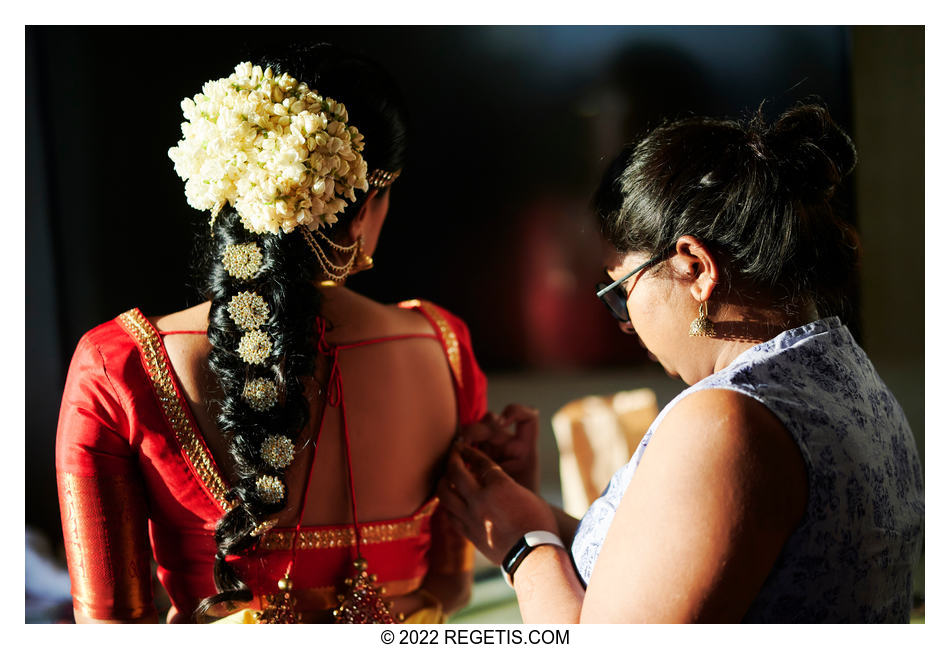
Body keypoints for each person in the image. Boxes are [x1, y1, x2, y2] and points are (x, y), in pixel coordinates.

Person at [439, 103, 924, 623]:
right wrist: (537, 517)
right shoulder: (848, 377)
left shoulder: (728, 421)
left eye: (621, 291)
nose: (624, 322)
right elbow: (679, 579)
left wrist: (524, 549)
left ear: (695, 268)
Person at [55, 45, 487, 624]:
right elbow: (452, 589)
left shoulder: (118, 366)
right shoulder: (445, 347)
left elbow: (108, 625)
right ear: (363, 210)